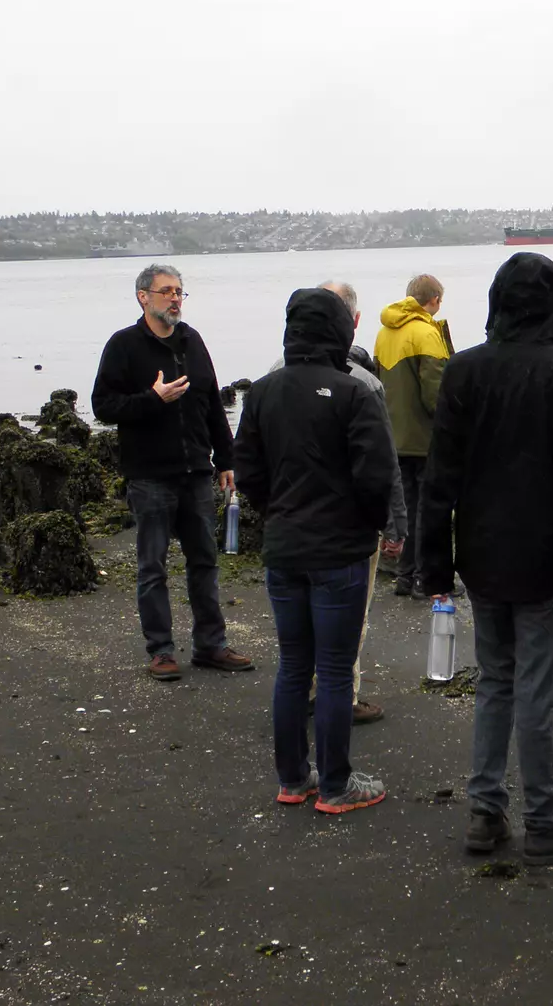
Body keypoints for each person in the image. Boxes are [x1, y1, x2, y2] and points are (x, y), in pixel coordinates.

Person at [420, 252, 553, 865]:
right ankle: (545, 820)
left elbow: (439, 477)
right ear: (552, 303)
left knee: (495, 683)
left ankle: (485, 812)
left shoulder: (464, 372)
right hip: (544, 551)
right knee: (535, 688)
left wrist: (433, 564)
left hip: (480, 549)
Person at [233, 287, 396, 814]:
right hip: (339, 551)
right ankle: (335, 784)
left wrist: (277, 511)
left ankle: (293, 778)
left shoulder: (260, 393)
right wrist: (371, 527)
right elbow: (377, 477)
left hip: (285, 546)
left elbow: (249, 475)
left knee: (293, 666)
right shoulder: (354, 394)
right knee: (333, 668)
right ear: (340, 330)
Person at [90, 263, 252, 681]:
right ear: (143, 297)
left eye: (180, 291)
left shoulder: (191, 340)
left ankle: (210, 646)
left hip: (196, 471)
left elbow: (213, 404)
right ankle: (161, 650)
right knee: (153, 567)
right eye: (166, 291)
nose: (175, 298)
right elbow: (103, 407)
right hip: (150, 474)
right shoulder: (124, 345)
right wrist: (152, 399)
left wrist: (226, 458)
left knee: (205, 561)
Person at [266, 280, 407, 726]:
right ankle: (339, 729)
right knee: (342, 641)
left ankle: (292, 775)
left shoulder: (271, 380)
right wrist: (387, 522)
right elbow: (381, 466)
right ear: (352, 324)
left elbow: (251, 463)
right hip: (344, 537)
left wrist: (276, 506)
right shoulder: (362, 386)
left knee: (293, 657)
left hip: (286, 531)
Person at [376, 273, 455, 598]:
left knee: (404, 508)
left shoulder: (384, 333)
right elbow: (435, 395)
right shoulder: (427, 333)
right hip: (424, 439)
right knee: (428, 509)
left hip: (394, 436)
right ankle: (425, 578)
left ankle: (404, 577)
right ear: (434, 300)